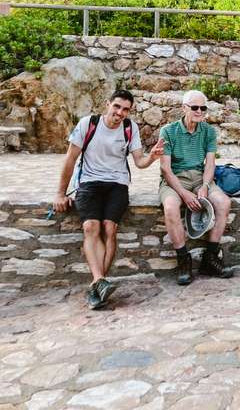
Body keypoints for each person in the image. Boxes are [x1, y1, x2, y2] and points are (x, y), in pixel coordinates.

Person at [53, 89, 164, 309]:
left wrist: (152, 157)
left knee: (110, 228)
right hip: (89, 183)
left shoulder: (130, 128)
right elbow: (70, 159)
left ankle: (97, 284)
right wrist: (60, 193)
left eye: (125, 109)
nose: (120, 112)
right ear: (108, 104)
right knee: (91, 227)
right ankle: (99, 281)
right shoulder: (88, 124)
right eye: (117, 106)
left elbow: (139, 162)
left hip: (117, 184)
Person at [159, 89, 233, 285]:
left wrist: (206, 186)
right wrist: (184, 194)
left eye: (203, 108)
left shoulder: (208, 131)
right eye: (195, 107)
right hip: (175, 179)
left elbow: (210, 164)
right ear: (184, 108)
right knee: (170, 207)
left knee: (224, 203)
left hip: (201, 177)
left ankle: (210, 256)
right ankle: (184, 259)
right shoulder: (168, 131)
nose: (199, 111)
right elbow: (165, 169)